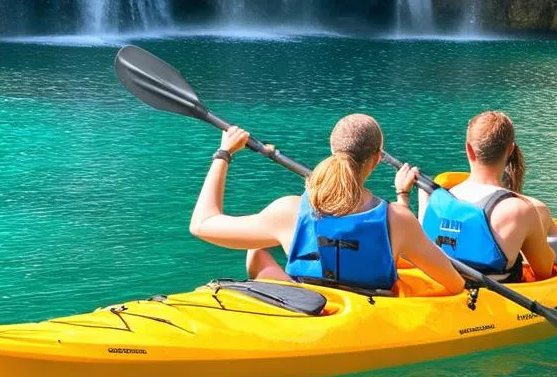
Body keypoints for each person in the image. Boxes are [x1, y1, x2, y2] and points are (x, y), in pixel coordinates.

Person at [189, 113, 464, 295]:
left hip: (308, 304)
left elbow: (202, 225)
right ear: (377, 158)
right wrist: (402, 199)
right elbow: (454, 284)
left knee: (255, 248)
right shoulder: (398, 219)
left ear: (332, 149)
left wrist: (223, 153)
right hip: (372, 312)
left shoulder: (289, 210)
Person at [418, 111, 557, 283]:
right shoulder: (520, 209)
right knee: (542, 215)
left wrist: (406, 195)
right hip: (495, 301)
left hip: (447, 290)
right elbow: (544, 272)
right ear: (510, 150)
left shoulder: (438, 201)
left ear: (468, 149)